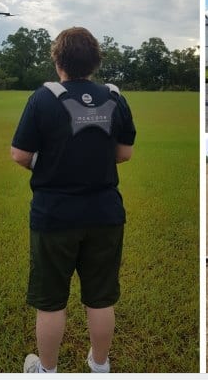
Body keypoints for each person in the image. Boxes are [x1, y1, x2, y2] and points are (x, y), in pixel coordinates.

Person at [11, 27, 136, 373]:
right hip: (105, 214)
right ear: (95, 61)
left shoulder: (42, 98)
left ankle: (47, 370)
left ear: (58, 61)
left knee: (51, 302)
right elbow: (124, 153)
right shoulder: (115, 97)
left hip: (54, 216)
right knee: (100, 298)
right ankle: (100, 365)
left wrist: (55, 163)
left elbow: (20, 154)